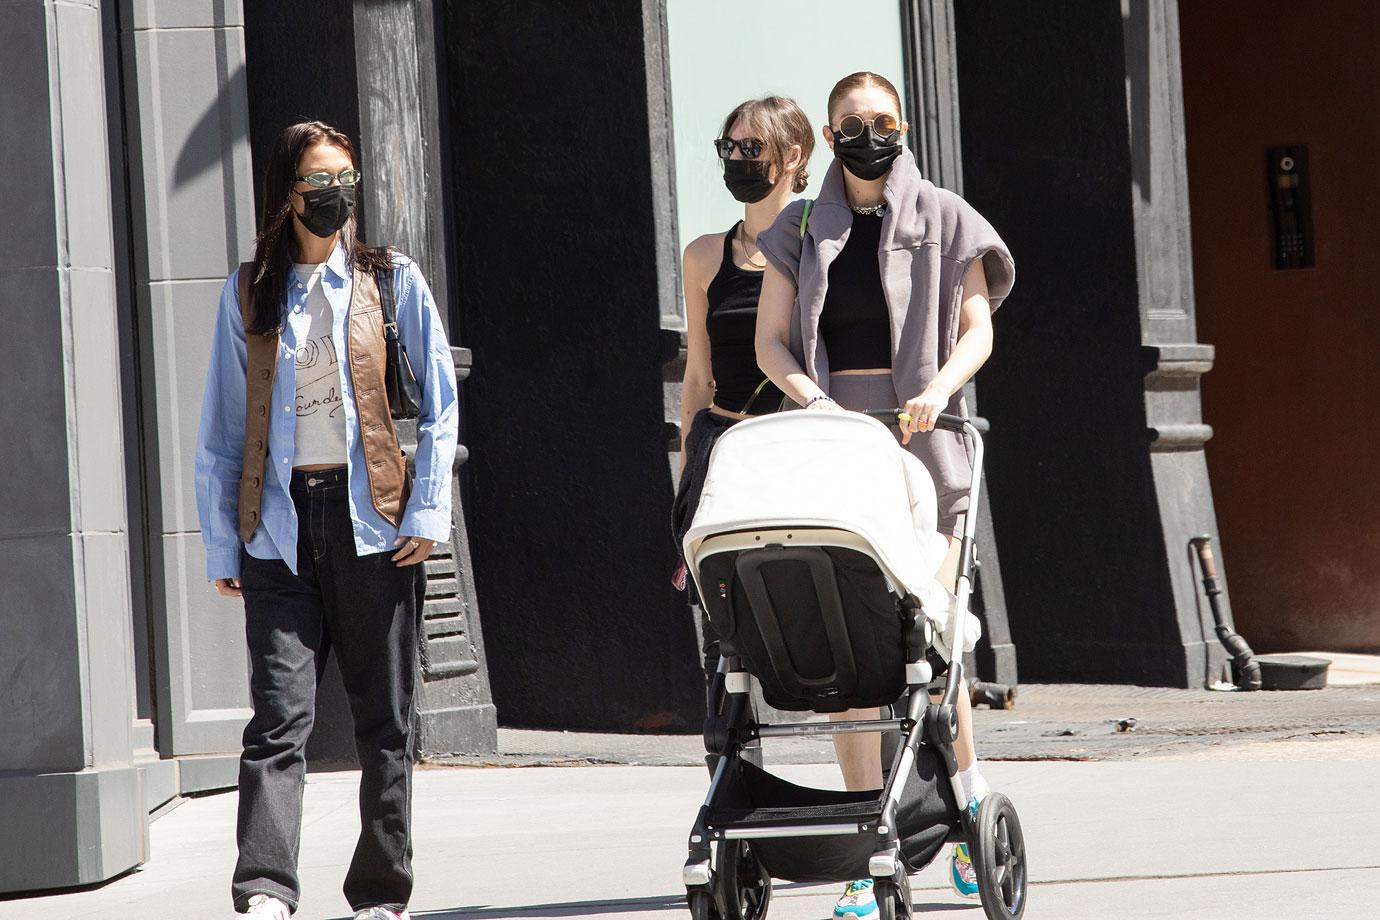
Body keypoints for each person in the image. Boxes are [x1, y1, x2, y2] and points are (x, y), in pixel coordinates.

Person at [754, 71, 1014, 912]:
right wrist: (818, 406)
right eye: (851, 123)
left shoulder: (944, 214)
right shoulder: (799, 226)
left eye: (882, 120)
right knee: (849, 654)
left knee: (933, 643)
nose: (868, 133)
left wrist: (938, 389)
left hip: (926, 441)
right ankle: (876, 848)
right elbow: (770, 345)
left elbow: (979, 327)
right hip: (838, 450)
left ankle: (968, 802)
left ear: (901, 126)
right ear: (828, 137)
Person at [195, 120, 458, 920]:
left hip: (373, 523)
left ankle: (381, 894)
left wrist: (428, 510)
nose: (336, 193)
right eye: (319, 180)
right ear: (287, 193)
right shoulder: (250, 291)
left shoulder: (391, 278)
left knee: (386, 721)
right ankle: (265, 889)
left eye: (347, 177)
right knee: (278, 721)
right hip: (278, 529)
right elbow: (220, 429)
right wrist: (223, 540)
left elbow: (442, 406)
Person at [671, 95, 814, 684]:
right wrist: (687, 469)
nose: (735, 158)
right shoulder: (705, 256)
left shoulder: (819, 244)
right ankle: (727, 758)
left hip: (794, 452)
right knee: (720, 619)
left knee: (809, 605)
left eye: (751, 148)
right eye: (727, 147)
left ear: (791, 155)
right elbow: (698, 375)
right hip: (723, 448)